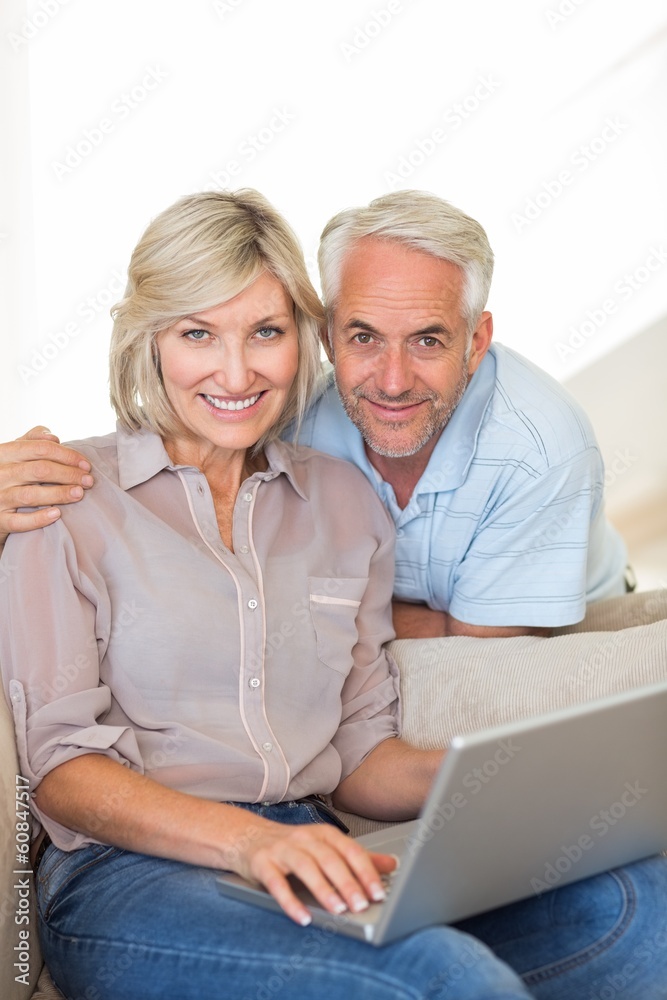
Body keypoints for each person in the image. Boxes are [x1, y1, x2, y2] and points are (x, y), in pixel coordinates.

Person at [2, 190, 667, 1000]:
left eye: (266, 333)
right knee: (437, 977)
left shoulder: (343, 502)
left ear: (302, 340)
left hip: (315, 845)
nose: (237, 372)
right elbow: (63, 767)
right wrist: (246, 842)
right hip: (135, 876)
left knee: (634, 906)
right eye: (197, 334)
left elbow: (357, 756)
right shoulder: (63, 494)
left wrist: (519, 781)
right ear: (148, 339)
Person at [0, 191, 630, 643]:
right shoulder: (282, 418)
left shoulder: (542, 446)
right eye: (364, 337)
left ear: (476, 339)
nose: (391, 380)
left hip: (560, 625)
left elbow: (483, 648)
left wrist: (316, 612)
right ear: (327, 336)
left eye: (428, 341)